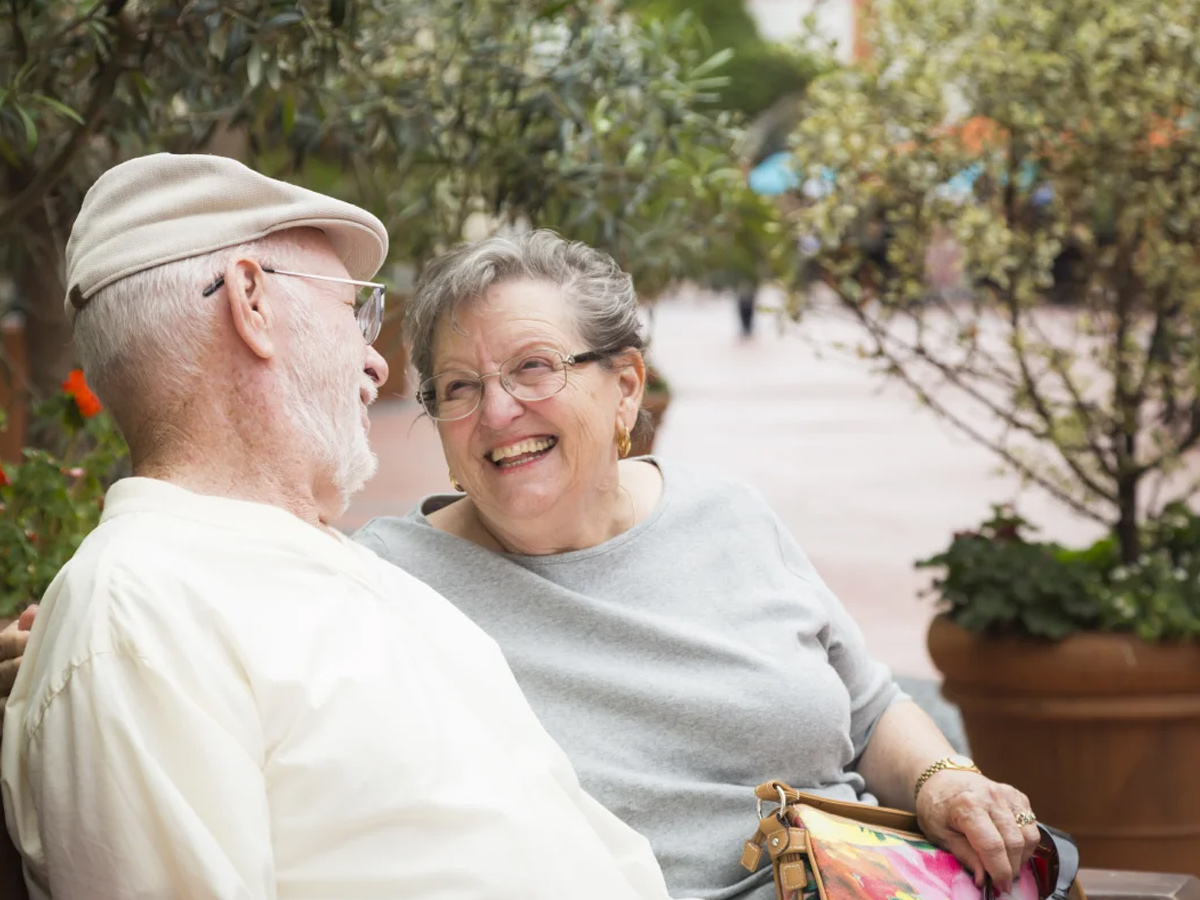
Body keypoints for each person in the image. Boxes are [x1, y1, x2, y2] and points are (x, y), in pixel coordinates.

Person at [0, 156, 686, 900]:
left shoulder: (333, 569)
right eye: (354, 313)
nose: (375, 364)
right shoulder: (140, 614)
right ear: (251, 302)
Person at [351, 231, 1043, 900]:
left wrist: (944, 782)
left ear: (625, 387)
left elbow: (870, 714)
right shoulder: (389, 583)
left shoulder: (728, 516)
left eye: (534, 367)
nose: (498, 410)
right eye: (460, 387)